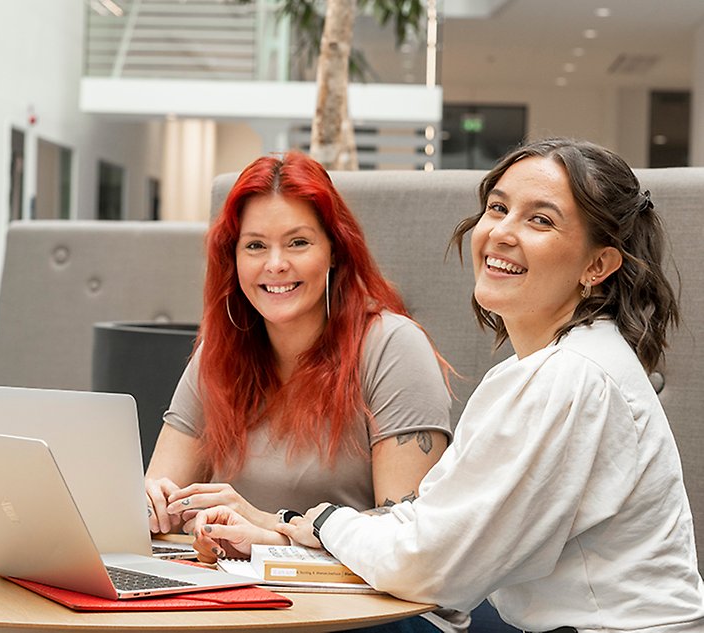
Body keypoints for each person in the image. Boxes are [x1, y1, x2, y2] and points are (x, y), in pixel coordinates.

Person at [192, 138, 704, 632]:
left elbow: (432, 565)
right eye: (498, 208)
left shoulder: (572, 377)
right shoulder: (546, 368)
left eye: (540, 220)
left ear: (598, 265)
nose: (502, 232)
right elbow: (426, 527)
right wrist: (286, 530)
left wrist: (317, 523)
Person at [144, 151, 466, 633]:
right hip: (255, 605)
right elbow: (164, 502)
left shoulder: (392, 345)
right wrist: (162, 508)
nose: (275, 265)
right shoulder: (219, 353)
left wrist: (267, 529)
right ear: (232, 259)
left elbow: (409, 539)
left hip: (380, 613)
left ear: (334, 250)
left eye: (298, 242)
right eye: (255, 246)